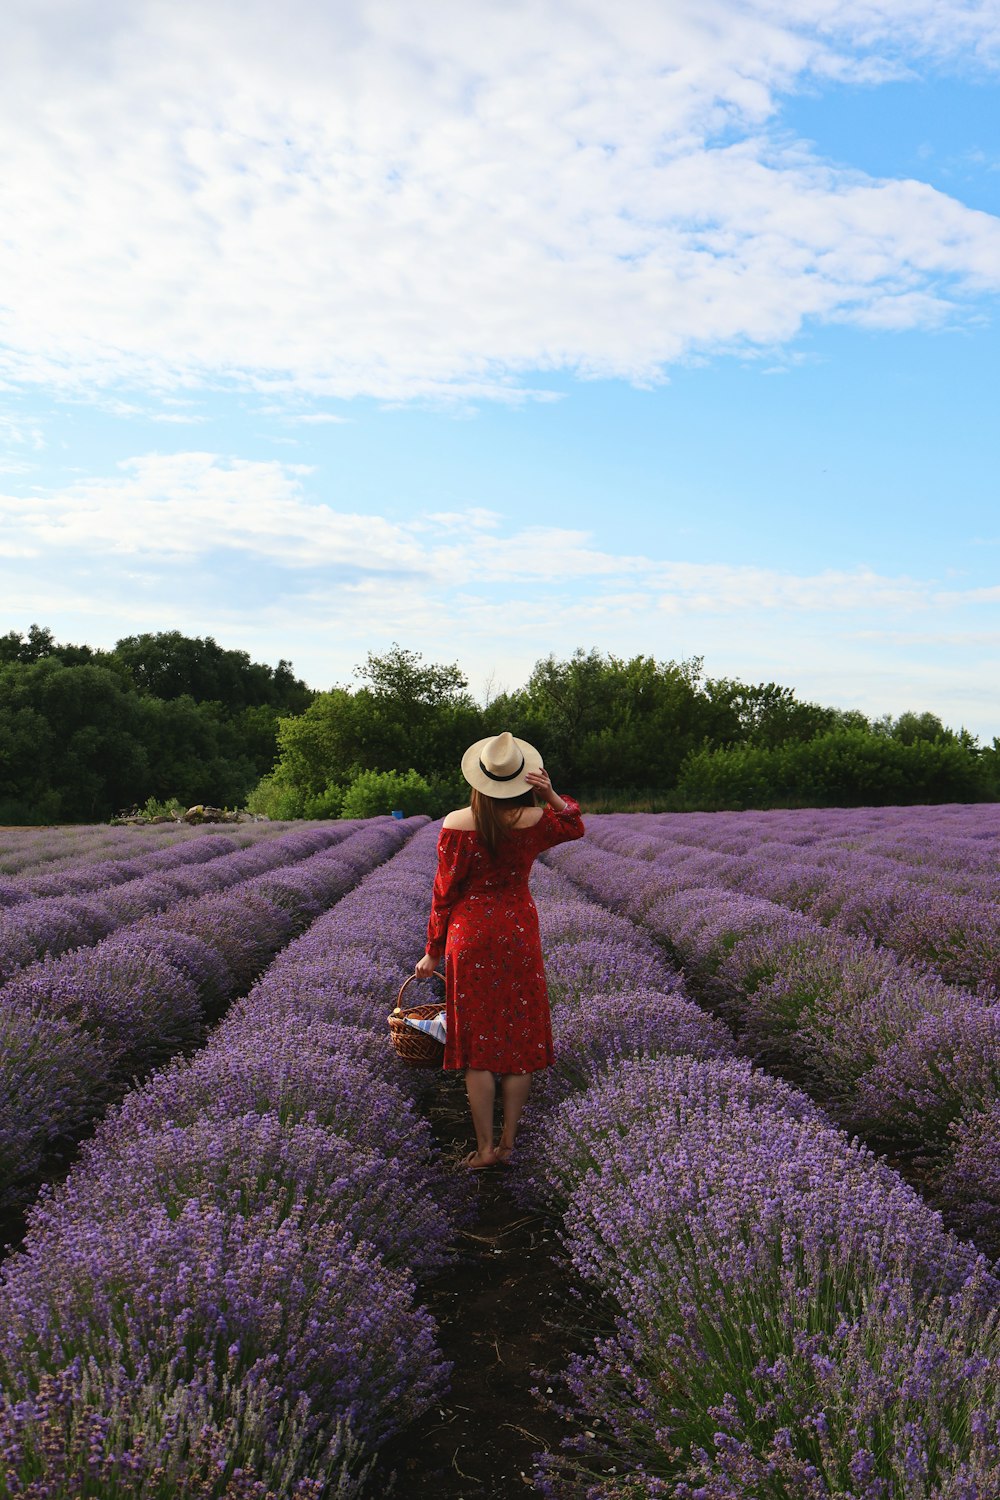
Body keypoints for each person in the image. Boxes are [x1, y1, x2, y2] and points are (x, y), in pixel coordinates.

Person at [414, 730, 585, 1169]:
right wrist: (550, 795)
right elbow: (574, 825)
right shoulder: (535, 820)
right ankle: (508, 1144)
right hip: (518, 933)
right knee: (517, 1040)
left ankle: (485, 1149)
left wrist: (432, 951)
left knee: (477, 1046)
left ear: (479, 779)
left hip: (469, 935)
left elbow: (443, 894)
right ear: (522, 780)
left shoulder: (457, 823)